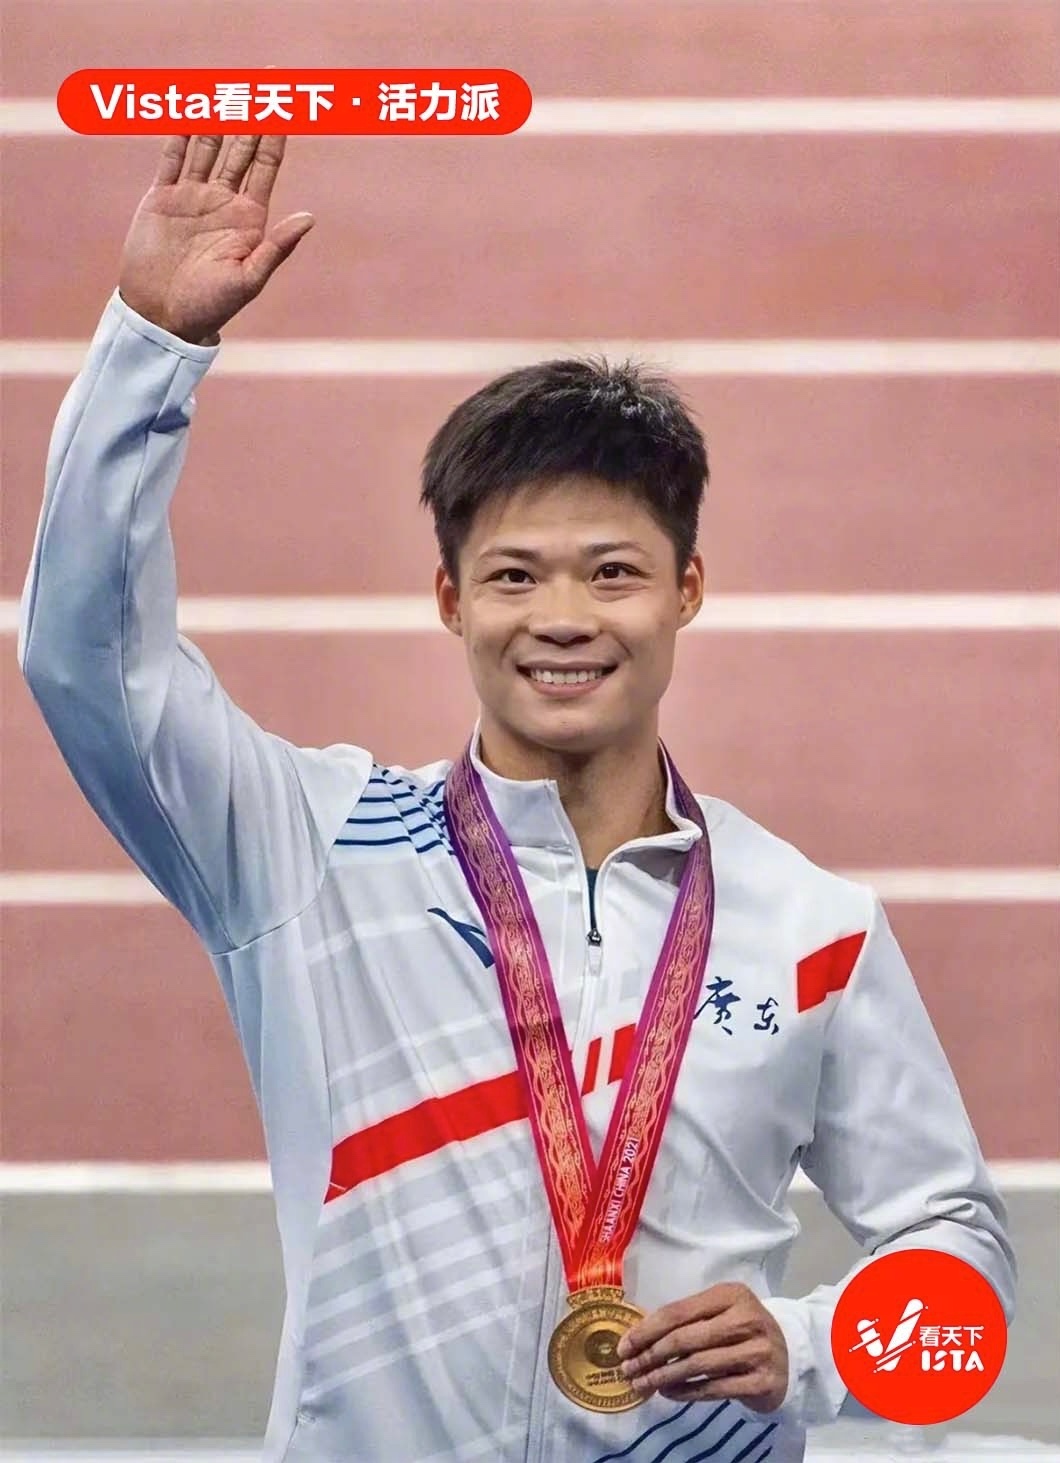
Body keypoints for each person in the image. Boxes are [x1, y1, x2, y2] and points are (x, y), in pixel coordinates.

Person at [19, 134, 1015, 1463]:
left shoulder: (813, 929)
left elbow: (961, 1258)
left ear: (687, 591)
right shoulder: (310, 856)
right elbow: (86, 660)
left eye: (613, 573)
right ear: (450, 599)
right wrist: (151, 346)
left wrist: (814, 1346)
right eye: (512, 576)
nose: (563, 618)